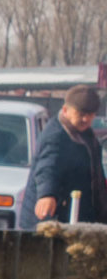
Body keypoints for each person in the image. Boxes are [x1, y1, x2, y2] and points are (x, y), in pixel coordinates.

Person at [27, 85, 104, 224]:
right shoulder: (56, 135)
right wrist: (47, 194)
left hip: (81, 215)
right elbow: (48, 166)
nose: (85, 119)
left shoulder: (87, 135)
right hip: (54, 218)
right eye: (81, 114)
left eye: (90, 115)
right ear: (65, 110)